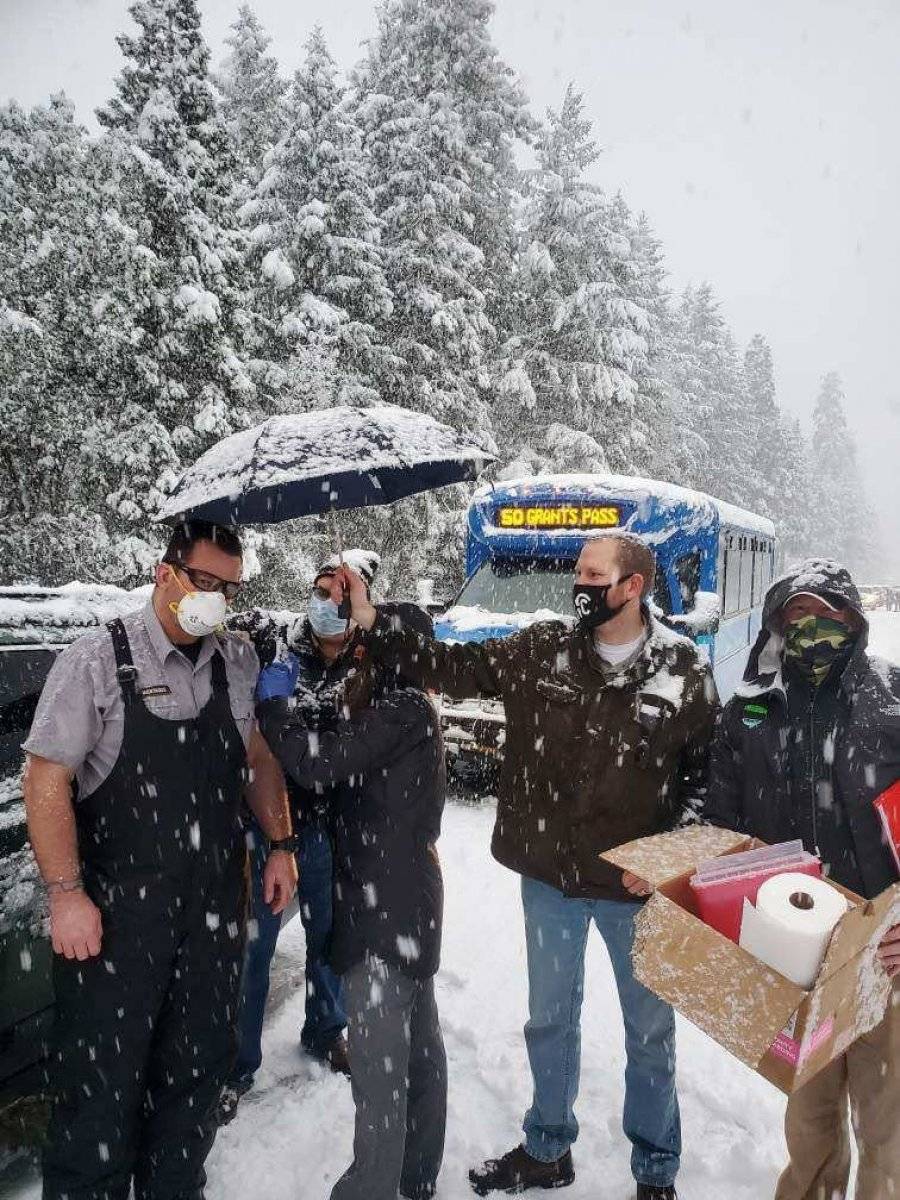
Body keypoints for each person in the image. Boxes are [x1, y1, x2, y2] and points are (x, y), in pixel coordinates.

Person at [341, 530, 719, 1200]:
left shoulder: (682, 668)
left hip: (638, 893)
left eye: (592, 574)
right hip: (552, 881)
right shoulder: (542, 649)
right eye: (578, 571)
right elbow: (449, 665)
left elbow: (704, 781)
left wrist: (665, 860)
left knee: (650, 1036)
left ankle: (656, 1170)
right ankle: (548, 1148)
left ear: (632, 587)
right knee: (549, 1020)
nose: (579, 584)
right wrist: (376, 624)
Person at [23, 520, 297, 1200]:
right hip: (117, 927)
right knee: (99, 1101)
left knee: (194, 1082)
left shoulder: (236, 661)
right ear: (164, 573)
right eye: (205, 581)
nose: (216, 600)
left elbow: (258, 759)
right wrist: (65, 893)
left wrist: (282, 844)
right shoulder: (97, 660)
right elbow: (44, 777)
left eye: (229, 588)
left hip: (209, 921)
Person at [703, 558, 900, 1200]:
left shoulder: (893, 704)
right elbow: (719, 827)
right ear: (777, 627)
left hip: (885, 947)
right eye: (798, 616)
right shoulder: (749, 713)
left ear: (855, 621)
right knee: (808, 1117)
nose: (814, 629)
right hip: (793, 949)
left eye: (829, 615)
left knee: (887, 1122)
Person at [256, 601, 447, 1200]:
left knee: (382, 1071)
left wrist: (273, 708)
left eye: (368, 641)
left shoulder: (399, 709)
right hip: (404, 902)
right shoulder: (403, 705)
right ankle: (415, 1178)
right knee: (418, 1054)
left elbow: (319, 764)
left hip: (382, 911)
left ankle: (371, 1188)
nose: (357, 649)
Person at [218, 550, 381, 1122]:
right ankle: (235, 1064)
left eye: (339, 594)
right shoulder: (279, 644)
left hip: (333, 828)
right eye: (318, 590)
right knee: (253, 947)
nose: (326, 603)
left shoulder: (371, 663)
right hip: (268, 829)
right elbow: (229, 630)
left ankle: (326, 1028)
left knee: (329, 939)